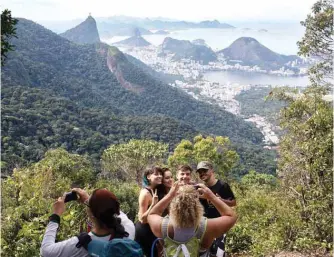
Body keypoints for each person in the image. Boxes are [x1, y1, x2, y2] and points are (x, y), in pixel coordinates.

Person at [147, 182, 237, 257]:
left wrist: (170, 195)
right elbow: (231, 216)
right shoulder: (207, 227)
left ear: (174, 203)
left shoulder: (163, 226)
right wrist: (211, 197)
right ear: (197, 203)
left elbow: (152, 213)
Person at [40, 188, 135, 257]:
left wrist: (55, 215)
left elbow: (46, 250)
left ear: (92, 215)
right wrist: (88, 200)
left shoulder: (83, 244)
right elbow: (115, 211)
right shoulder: (128, 228)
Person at [196, 161, 236, 257]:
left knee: (219, 253)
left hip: (219, 225)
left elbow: (233, 203)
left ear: (211, 171)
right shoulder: (200, 188)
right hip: (204, 226)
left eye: (204, 171)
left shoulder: (222, 185)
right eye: (200, 172)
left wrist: (219, 200)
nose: (202, 174)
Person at [135, 166, 164, 257]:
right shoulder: (145, 193)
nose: (160, 176)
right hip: (144, 230)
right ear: (148, 177)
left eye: (160, 174)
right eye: (156, 174)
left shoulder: (156, 190)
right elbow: (142, 219)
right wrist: (152, 205)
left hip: (153, 229)